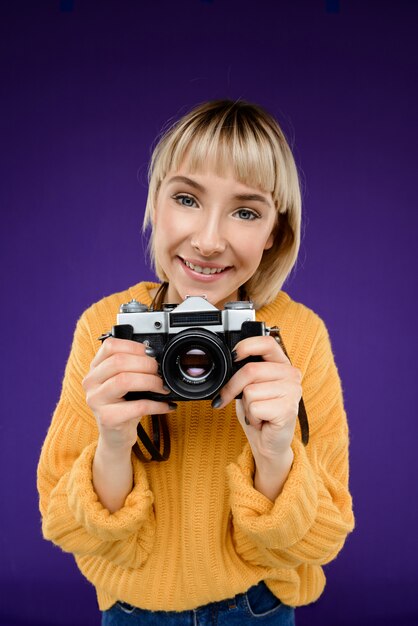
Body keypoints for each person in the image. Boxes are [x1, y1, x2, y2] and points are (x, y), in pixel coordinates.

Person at [37, 99, 354, 625]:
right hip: (133, 610)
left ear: (274, 231)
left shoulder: (297, 336)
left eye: (246, 212)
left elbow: (323, 536)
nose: (209, 241)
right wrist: (113, 442)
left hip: (257, 607)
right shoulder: (107, 326)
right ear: (155, 205)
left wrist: (276, 455)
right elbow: (66, 525)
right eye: (186, 198)